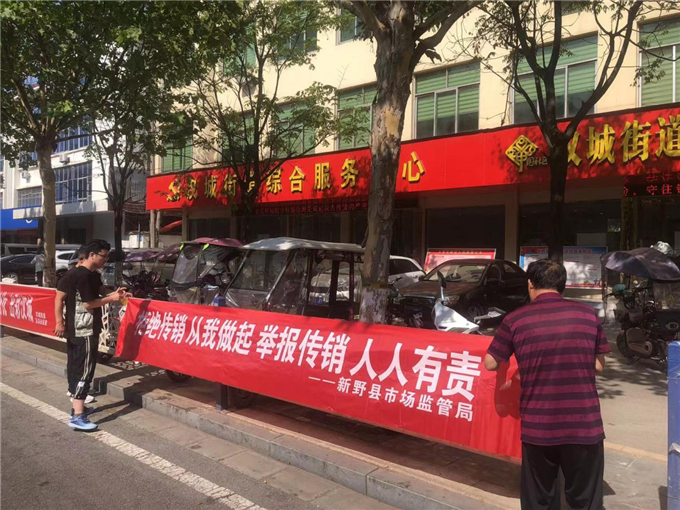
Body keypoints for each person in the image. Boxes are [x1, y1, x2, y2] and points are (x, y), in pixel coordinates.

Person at [484, 259, 610, 510]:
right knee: (585, 500)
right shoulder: (588, 315)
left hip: (538, 427)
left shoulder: (515, 319)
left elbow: (490, 363)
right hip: (584, 426)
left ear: (530, 284)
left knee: (539, 499)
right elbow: (598, 366)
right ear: (562, 285)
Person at [53, 239, 127, 431]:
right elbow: (88, 303)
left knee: (77, 368)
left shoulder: (92, 275)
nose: (105, 260)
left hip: (82, 328)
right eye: (103, 256)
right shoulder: (80, 275)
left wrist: (115, 293)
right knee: (84, 371)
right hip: (83, 329)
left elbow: (100, 290)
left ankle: (79, 407)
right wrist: (111, 298)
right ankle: (78, 416)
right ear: (92, 255)